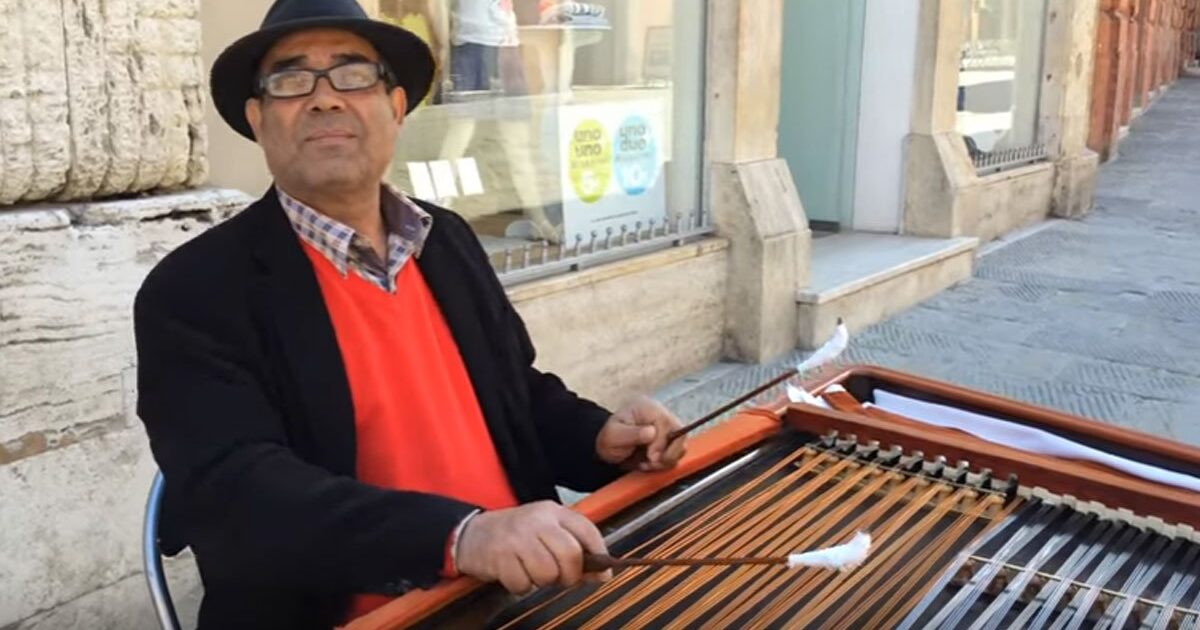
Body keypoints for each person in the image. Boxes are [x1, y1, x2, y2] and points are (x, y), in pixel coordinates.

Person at [132, 0, 686, 628]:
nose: (324, 99)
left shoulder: (444, 238)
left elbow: (517, 394)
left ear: (395, 109)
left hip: (523, 596)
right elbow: (237, 492)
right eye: (290, 81)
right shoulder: (193, 290)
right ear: (258, 120)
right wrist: (459, 537)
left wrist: (600, 438)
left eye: (353, 74)